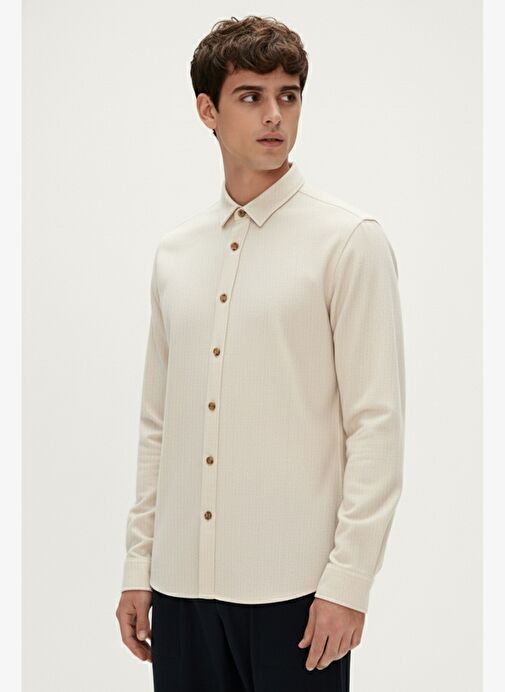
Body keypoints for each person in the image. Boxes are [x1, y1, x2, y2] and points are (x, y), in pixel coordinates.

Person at [115, 14, 406, 692]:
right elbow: (159, 427)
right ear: (208, 111)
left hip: (296, 597)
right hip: (180, 591)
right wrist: (139, 567)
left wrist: (348, 581)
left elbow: (376, 425)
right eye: (251, 96)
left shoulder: (348, 241)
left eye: (288, 95)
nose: (275, 114)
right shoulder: (175, 254)